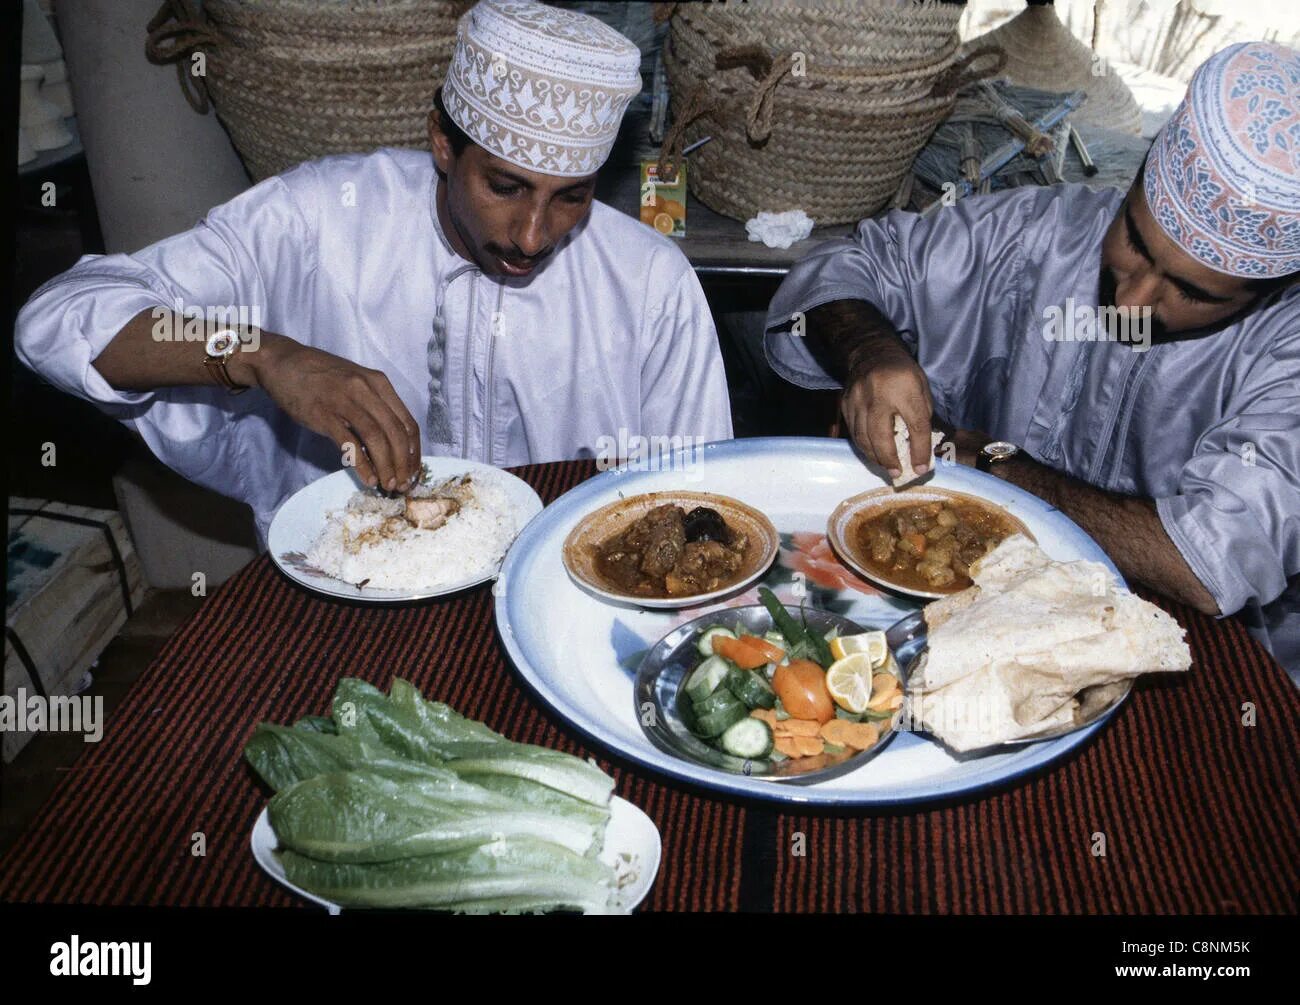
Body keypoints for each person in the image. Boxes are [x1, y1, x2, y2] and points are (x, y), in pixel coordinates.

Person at [16, 0, 732, 543]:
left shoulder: (649, 283)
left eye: (570, 196)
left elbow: (701, 504)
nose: (534, 234)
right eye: (506, 188)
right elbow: (55, 320)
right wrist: (266, 356)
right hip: (346, 590)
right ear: (442, 144)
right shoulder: (317, 218)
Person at [764, 42, 1300, 675]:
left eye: (1191, 292)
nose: (1133, 295)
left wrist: (992, 461)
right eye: (1135, 238)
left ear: (1270, 290)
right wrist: (868, 350)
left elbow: (1207, 563)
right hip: (956, 625)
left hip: (1183, 657)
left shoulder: (1286, 354)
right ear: (1137, 178)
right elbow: (843, 266)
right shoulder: (1038, 231)